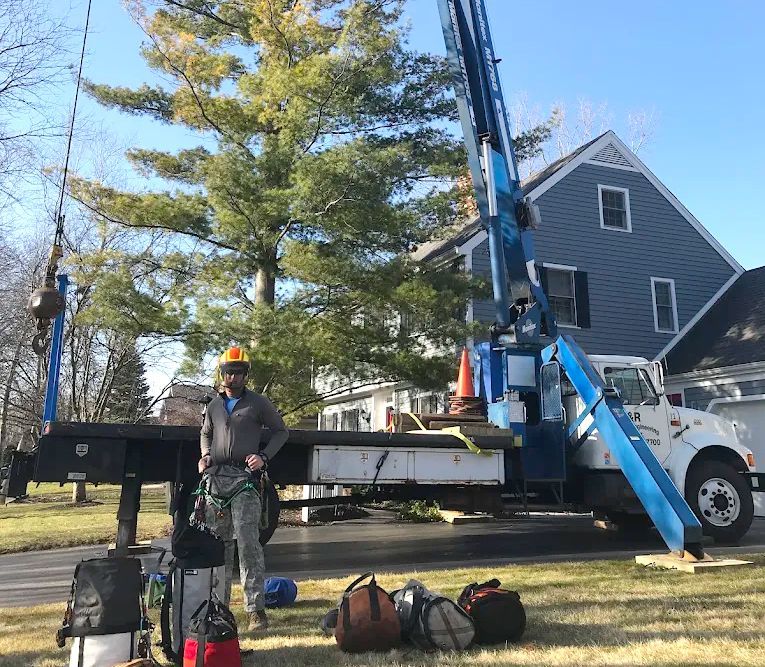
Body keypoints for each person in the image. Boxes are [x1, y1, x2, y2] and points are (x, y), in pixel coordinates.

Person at [199, 346, 288, 631]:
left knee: (248, 544)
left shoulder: (258, 404)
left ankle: (255, 611)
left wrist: (263, 457)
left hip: (245, 480)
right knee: (219, 546)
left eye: (239, 372)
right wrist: (205, 455)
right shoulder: (213, 405)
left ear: (246, 375)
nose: (233, 377)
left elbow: (281, 431)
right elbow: (205, 433)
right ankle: (220, 610)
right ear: (221, 373)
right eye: (229, 372)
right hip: (216, 481)